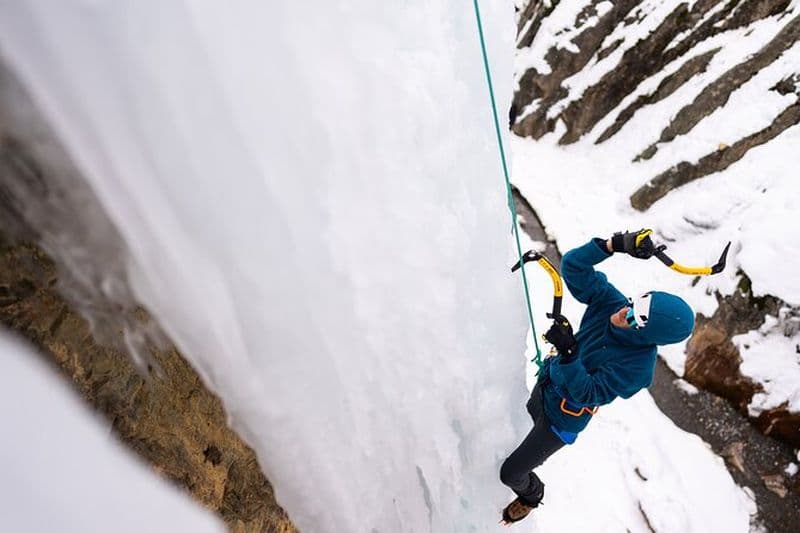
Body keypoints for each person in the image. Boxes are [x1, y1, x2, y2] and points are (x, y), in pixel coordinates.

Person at [500, 229, 696, 524]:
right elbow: (574, 267)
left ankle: (532, 495)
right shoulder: (613, 305)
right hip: (546, 386)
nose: (624, 313)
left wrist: (569, 355)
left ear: (649, 334)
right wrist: (613, 245)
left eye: (636, 318)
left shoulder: (638, 369)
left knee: (511, 472)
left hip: (561, 421)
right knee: (525, 416)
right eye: (637, 303)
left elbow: (588, 393)